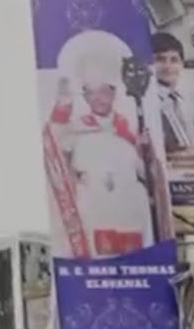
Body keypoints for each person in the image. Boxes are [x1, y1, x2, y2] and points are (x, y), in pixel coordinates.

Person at [47, 49, 166, 257]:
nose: (98, 98)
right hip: (93, 208)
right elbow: (52, 146)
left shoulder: (130, 128)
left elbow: (149, 176)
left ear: (113, 93)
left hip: (130, 210)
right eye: (91, 93)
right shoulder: (75, 129)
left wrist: (147, 152)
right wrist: (62, 106)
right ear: (84, 97)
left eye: (103, 91)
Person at [152, 32, 194, 158]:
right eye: (160, 59)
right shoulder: (144, 104)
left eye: (174, 60)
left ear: (182, 64)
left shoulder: (193, 101)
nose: (168, 66)